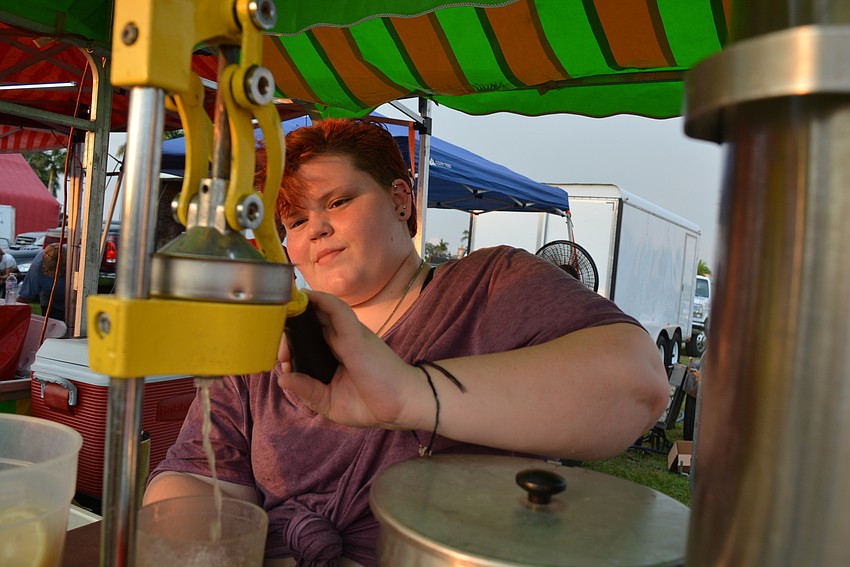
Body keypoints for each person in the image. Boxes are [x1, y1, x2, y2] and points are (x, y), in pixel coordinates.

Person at [145, 119, 669, 566]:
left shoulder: (489, 287)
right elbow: (195, 477)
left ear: (400, 199)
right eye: (296, 220)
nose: (317, 230)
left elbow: (638, 385)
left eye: (339, 201)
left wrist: (410, 393)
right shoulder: (271, 333)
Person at [17, 243, 66, 323]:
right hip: (50, 301)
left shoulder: (77, 259)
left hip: (75, 301)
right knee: (52, 325)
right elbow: (26, 296)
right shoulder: (37, 268)